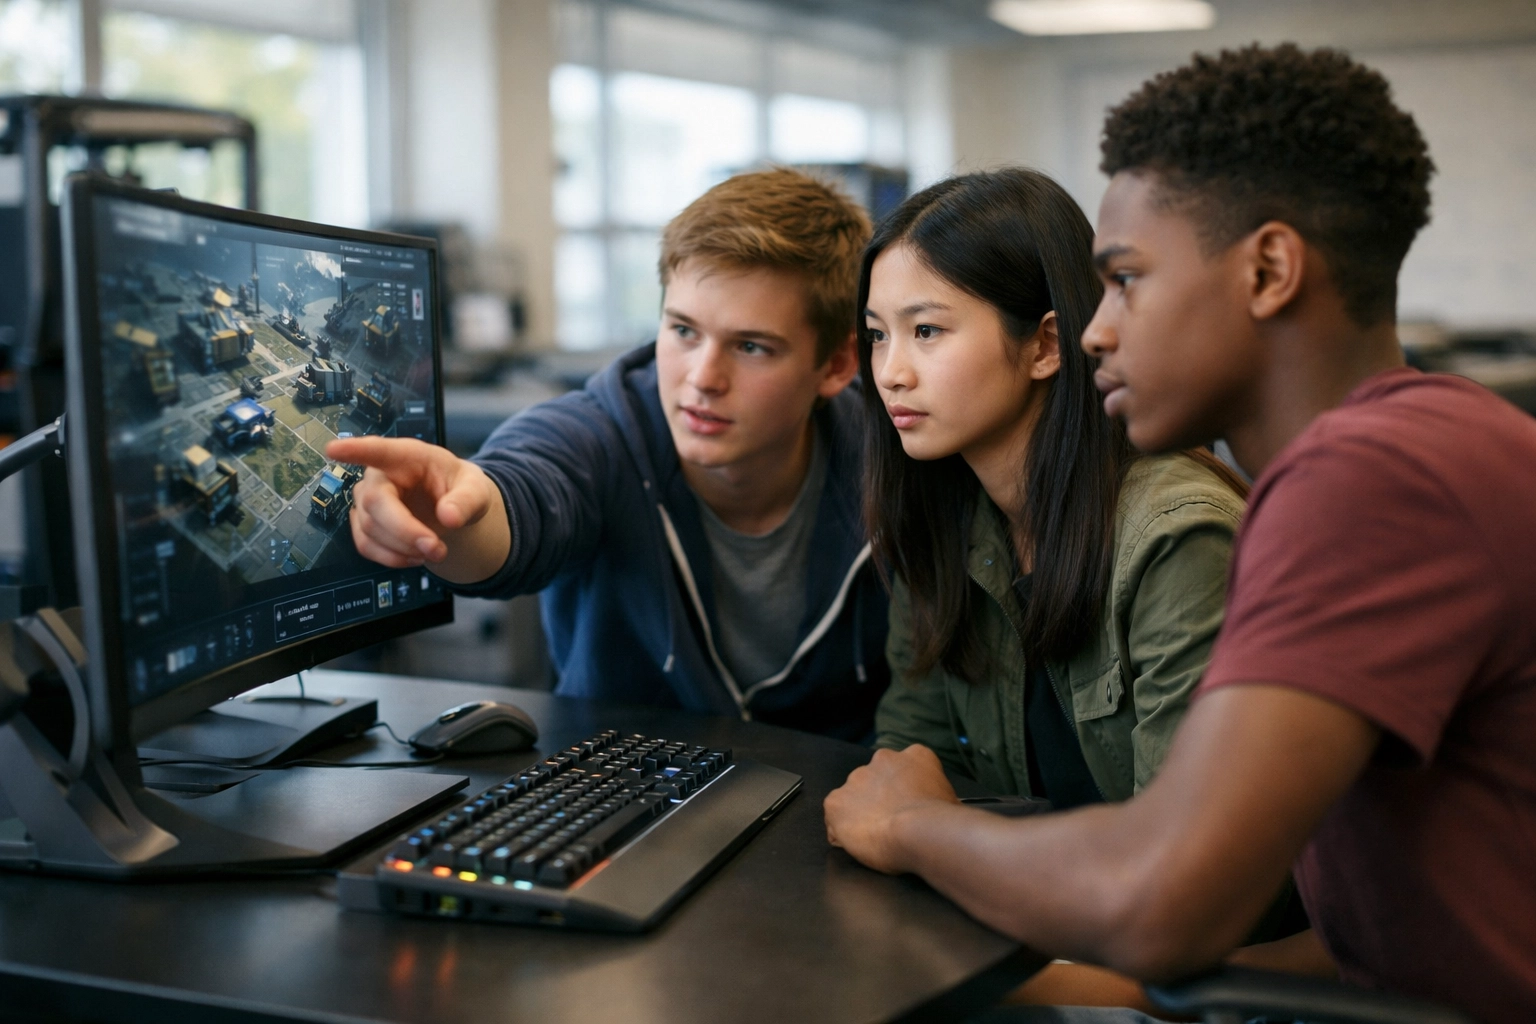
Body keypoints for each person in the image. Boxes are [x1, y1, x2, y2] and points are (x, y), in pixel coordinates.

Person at [823, 43, 1536, 1024]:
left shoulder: (1371, 481)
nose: (1095, 331)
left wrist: (912, 826)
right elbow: (1362, 928)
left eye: (1125, 280)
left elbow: (1164, 905)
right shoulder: (1403, 447)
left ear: (1270, 270)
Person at [331, 167, 890, 740]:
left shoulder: (892, 462)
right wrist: (451, 516)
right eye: (683, 331)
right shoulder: (601, 432)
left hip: (835, 800)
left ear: (838, 365)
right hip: (639, 800)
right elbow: (525, 493)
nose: (702, 378)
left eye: (751, 347)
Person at [864, 168, 1246, 810]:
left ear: (1045, 344)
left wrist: (928, 833)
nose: (891, 374)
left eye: (926, 331)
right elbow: (908, 765)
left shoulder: (1178, 537)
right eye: (878, 335)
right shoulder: (941, 514)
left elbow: (1181, 861)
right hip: (1004, 902)